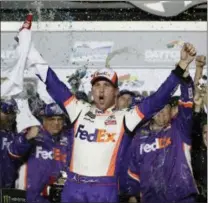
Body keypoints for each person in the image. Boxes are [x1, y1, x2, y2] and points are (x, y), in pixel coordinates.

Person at [14, 13, 197, 203]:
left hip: (104, 189)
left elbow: (158, 99)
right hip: (73, 187)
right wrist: (29, 48)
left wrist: (182, 65)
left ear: (116, 92)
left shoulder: (126, 117)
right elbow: (51, 81)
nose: (101, 90)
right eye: (97, 85)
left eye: (106, 86)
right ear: (92, 89)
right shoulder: (79, 109)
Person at [127, 72, 199, 203]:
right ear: (151, 114)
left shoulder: (180, 128)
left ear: (171, 111)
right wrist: (132, 195)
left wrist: (186, 80)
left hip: (181, 198)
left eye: (165, 110)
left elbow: (187, 102)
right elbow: (133, 171)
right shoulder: (138, 138)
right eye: (158, 111)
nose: (162, 114)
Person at [8, 103, 72, 203]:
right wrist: (26, 138)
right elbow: (13, 153)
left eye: (59, 119)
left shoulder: (68, 138)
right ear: (44, 119)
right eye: (52, 119)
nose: (56, 123)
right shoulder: (33, 132)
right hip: (29, 197)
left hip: (57, 196)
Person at [0, 98, 20, 188]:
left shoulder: (18, 137)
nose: (11, 116)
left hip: (11, 190)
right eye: (6, 112)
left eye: (13, 113)